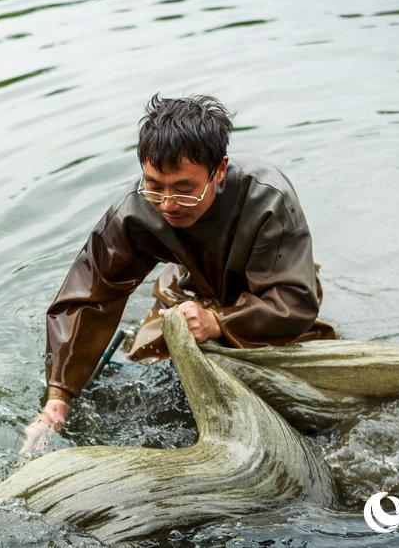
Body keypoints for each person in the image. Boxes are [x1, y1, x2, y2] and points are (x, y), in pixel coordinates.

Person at [21, 94, 336, 454]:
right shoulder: (136, 211)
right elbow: (87, 297)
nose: (168, 204)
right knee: (144, 359)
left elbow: (294, 300)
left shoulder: (268, 199)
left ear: (218, 171)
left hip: (263, 291)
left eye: (184, 189)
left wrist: (218, 322)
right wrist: (57, 399)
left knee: (311, 400)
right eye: (155, 186)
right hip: (188, 289)